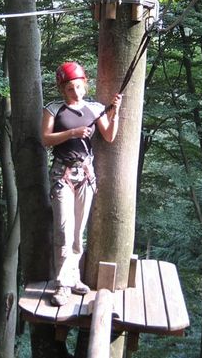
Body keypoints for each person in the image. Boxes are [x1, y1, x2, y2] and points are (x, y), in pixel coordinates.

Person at [42, 61, 122, 306]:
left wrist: (114, 113)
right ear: (62, 90)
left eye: (78, 87)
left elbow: (109, 136)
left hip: (85, 176)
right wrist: (72, 134)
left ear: (85, 85)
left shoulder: (95, 108)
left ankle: (73, 277)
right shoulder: (54, 109)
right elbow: (45, 139)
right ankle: (62, 284)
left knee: (78, 231)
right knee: (64, 229)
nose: (75, 92)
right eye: (69, 89)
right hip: (62, 176)